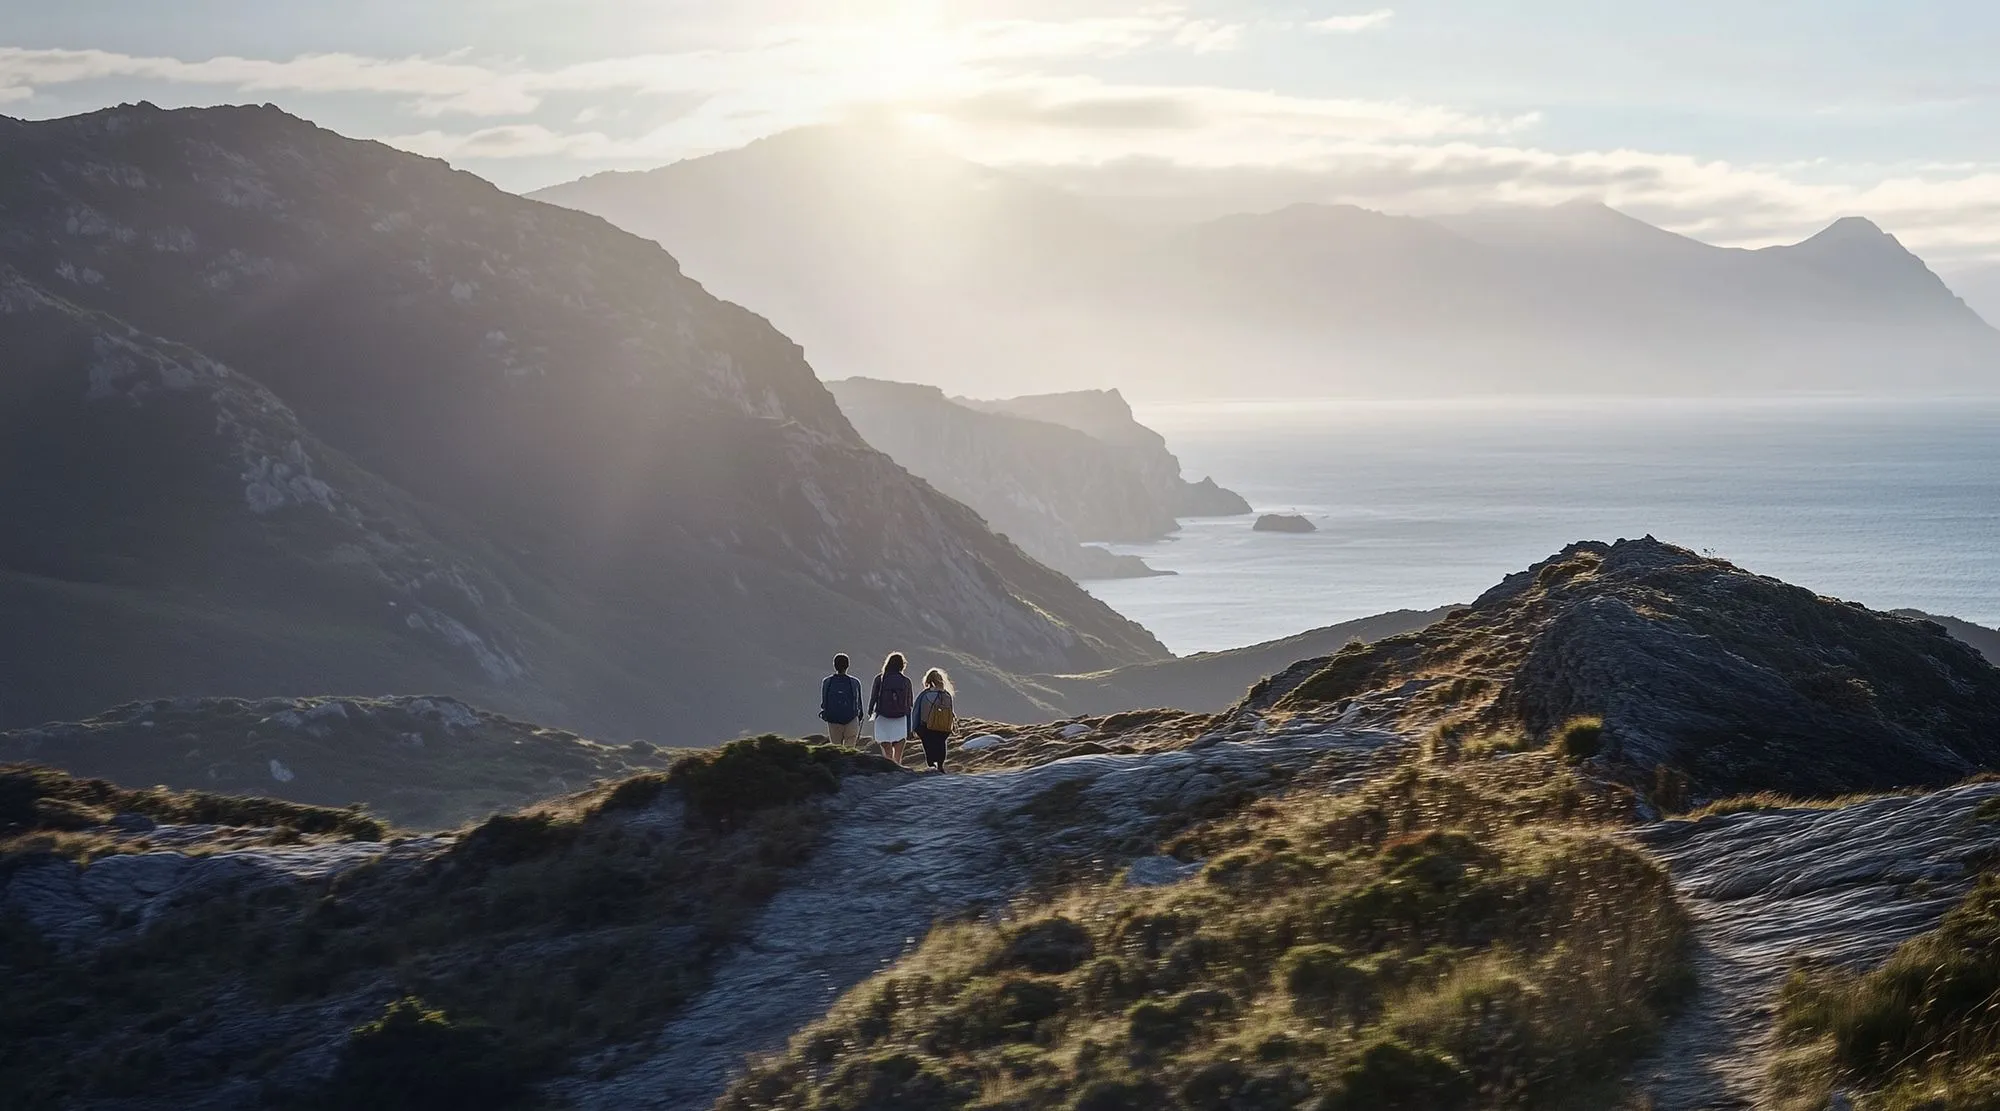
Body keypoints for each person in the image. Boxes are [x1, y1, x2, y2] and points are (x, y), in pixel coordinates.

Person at [868, 652, 914, 766]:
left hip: (883, 717)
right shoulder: (906, 681)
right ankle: (898, 767)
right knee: (898, 754)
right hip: (900, 718)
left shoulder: (880, 679)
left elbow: (873, 698)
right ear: (902, 665)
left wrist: (871, 712)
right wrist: (909, 728)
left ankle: (889, 770)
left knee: (887, 753)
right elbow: (909, 704)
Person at [911, 668, 956, 772]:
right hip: (943, 727)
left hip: (927, 727)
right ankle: (940, 765)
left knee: (928, 746)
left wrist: (914, 728)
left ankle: (931, 766)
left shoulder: (924, 695)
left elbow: (916, 711)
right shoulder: (947, 695)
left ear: (928, 681)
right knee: (941, 744)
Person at [819, 653, 865, 748]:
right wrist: (859, 717)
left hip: (833, 720)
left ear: (834, 665)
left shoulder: (827, 682)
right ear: (848, 665)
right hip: (851, 719)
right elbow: (859, 703)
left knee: (836, 748)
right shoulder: (855, 682)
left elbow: (824, 703)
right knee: (849, 748)